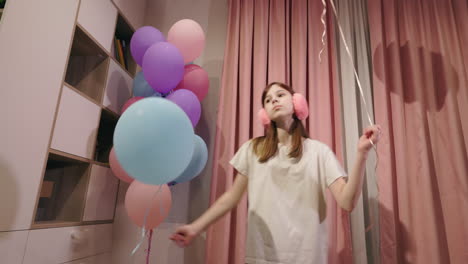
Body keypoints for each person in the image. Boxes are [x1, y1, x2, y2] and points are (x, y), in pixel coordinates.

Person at [170, 82, 382, 264]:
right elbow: (230, 198)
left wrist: (361, 154)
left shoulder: (319, 152)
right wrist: (195, 227)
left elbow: (347, 201)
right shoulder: (253, 149)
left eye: (280, 95)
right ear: (265, 113)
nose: (274, 100)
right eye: (268, 99)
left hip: (307, 257)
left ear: (297, 104)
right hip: (262, 255)